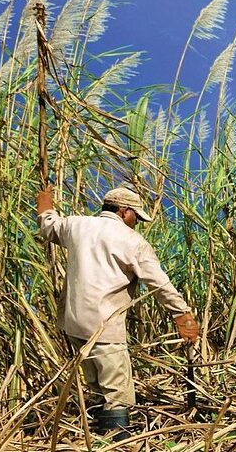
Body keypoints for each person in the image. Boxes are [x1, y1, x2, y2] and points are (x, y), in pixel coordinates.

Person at [35, 185, 199, 438]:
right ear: (124, 212)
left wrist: (44, 204)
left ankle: (99, 441)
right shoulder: (132, 241)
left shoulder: (76, 225)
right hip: (105, 326)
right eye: (136, 216)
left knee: (96, 387)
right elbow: (159, 283)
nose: (137, 223)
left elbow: (49, 226)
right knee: (118, 394)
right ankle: (118, 450)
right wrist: (182, 314)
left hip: (74, 324)